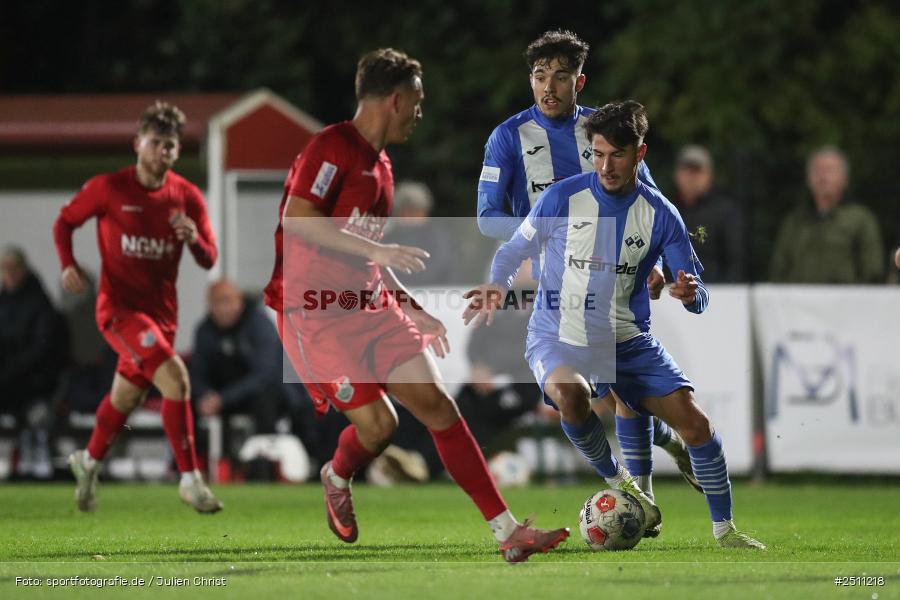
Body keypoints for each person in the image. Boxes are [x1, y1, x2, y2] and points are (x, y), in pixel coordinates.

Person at [263, 48, 568, 563]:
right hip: (313, 311)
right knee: (380, 427)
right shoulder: (331, 147)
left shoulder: (381, 167)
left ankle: (507, 532)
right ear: (396, 99)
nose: (420, 113)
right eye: (418, 102)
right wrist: (374, 250)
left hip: (369, 303)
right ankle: (337, 475)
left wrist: (411, 306)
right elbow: (298, 219)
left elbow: (367, 260)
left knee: (437, 405)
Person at [465, 100, 765, 549]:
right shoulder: (562, 197)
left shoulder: (660, 213)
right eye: (598, 153)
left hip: (625, 337)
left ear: (639, 154)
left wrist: (690, 294)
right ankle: (622, 482)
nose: (605, 165)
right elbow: (511, 250)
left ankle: (726, 532)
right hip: (557, 335)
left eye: (617, 155)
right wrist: (497, 283)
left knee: (697, 425)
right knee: (571, 393)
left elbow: (697, 290)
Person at [475, 29, 699, 501]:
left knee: (626, 390)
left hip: (618, 273)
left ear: (580, 82)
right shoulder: (508, 137)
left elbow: (650, 199)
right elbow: (486, 217)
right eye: (540, 77)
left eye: (561, 76)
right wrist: (547, 228)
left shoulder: (604, 130)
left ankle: (643, 498)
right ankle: (658, 461)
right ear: (530, 81)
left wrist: (654, 261)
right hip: (560, 276)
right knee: (595, 394)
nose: (549, 87)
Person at [53, 101, 222, 513]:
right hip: (118, 311)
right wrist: (68, 264)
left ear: (177, 151)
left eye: (170, 145)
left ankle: (88, 462)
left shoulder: (186, 196)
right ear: (137, 144)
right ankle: (189, 479)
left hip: (162, 316)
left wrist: (193, 240)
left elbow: (209, 257)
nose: (162, 151)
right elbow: (65, 222)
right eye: (155, 143)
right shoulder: (110, 188)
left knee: (125, 398)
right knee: (176, 380)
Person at [190, 280, 293, 473]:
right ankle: (191, 467)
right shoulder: (204, 330)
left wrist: (223, 398)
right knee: (185, 401)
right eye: (216, 303)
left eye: (227, 301)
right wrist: (205, 395)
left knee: (266, 398)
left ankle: (262, 468)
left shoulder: (259, 325)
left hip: (255, 395)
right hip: (219, 396)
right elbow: (196, 372)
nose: (222, 309)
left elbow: (265, 374)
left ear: (240, 302)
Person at [0, 246, 68, 479]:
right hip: (8, 381)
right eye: (4, 269)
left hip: (31, 384)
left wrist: (9, 372)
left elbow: (42, 351)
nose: (9, 274)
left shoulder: (40, 305)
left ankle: (33, 453)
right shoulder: (3, 304)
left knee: (34, 410)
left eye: (13, 268)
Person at [770, 146, 884, 283]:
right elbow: (778, 271)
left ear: (844, 178)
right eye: (817, 170)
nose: (823, 177)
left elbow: (872, 271)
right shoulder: (794, 221)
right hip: (798, 301)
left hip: (845, 301)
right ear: (808, 178)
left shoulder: (860, 220)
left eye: (830, 170)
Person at [672, 145, 747, 282]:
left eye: (696, 171)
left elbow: (735, 262)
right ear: (677, 175)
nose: (691, 177)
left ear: (709, 176)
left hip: (715, 296)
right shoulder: (666, 211)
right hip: (669, 295)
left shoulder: (725, 212)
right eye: (686, 171)